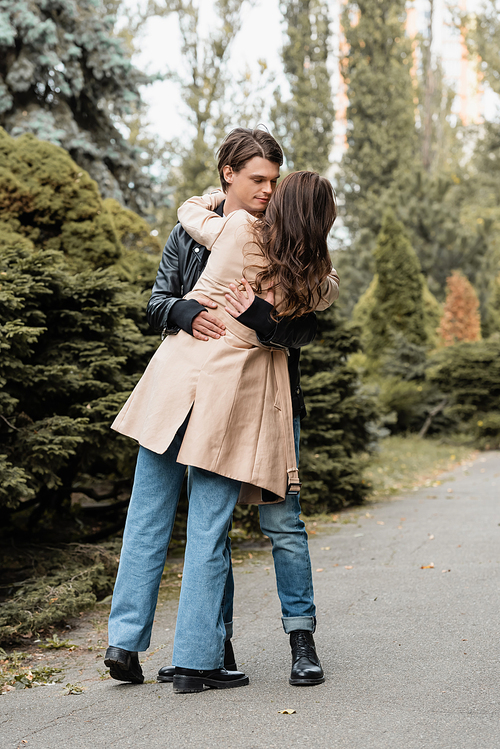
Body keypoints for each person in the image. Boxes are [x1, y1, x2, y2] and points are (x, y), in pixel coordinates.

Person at [104, 132, 339, 693]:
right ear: (228, 174)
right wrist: (182, 309)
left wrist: (259, 313)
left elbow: (303, 326)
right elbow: (158, 300)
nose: (267, 189)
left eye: (274, 181)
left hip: (196, 387)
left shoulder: (268, 238)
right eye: (257, 178)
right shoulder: (249, 241)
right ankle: (191, 658)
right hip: (209, 391)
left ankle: (140, 643)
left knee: (166, 517)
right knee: (187, 521)